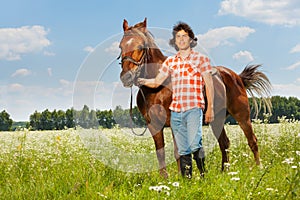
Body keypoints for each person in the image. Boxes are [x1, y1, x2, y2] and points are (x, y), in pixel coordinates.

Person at [138, 22, 214, 178]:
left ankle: (203, 174)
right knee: (183, 148)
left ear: (191, 39)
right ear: (174, 41)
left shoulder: (201, 59)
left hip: (193, 108)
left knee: (194, 144)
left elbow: (209, 84)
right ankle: (187, 180)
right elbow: (157, 82)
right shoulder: (170, 62)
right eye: (178, 37)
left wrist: (210, 107)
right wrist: (142, 81)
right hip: (176, 111)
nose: (181, 39)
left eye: (184, 36)